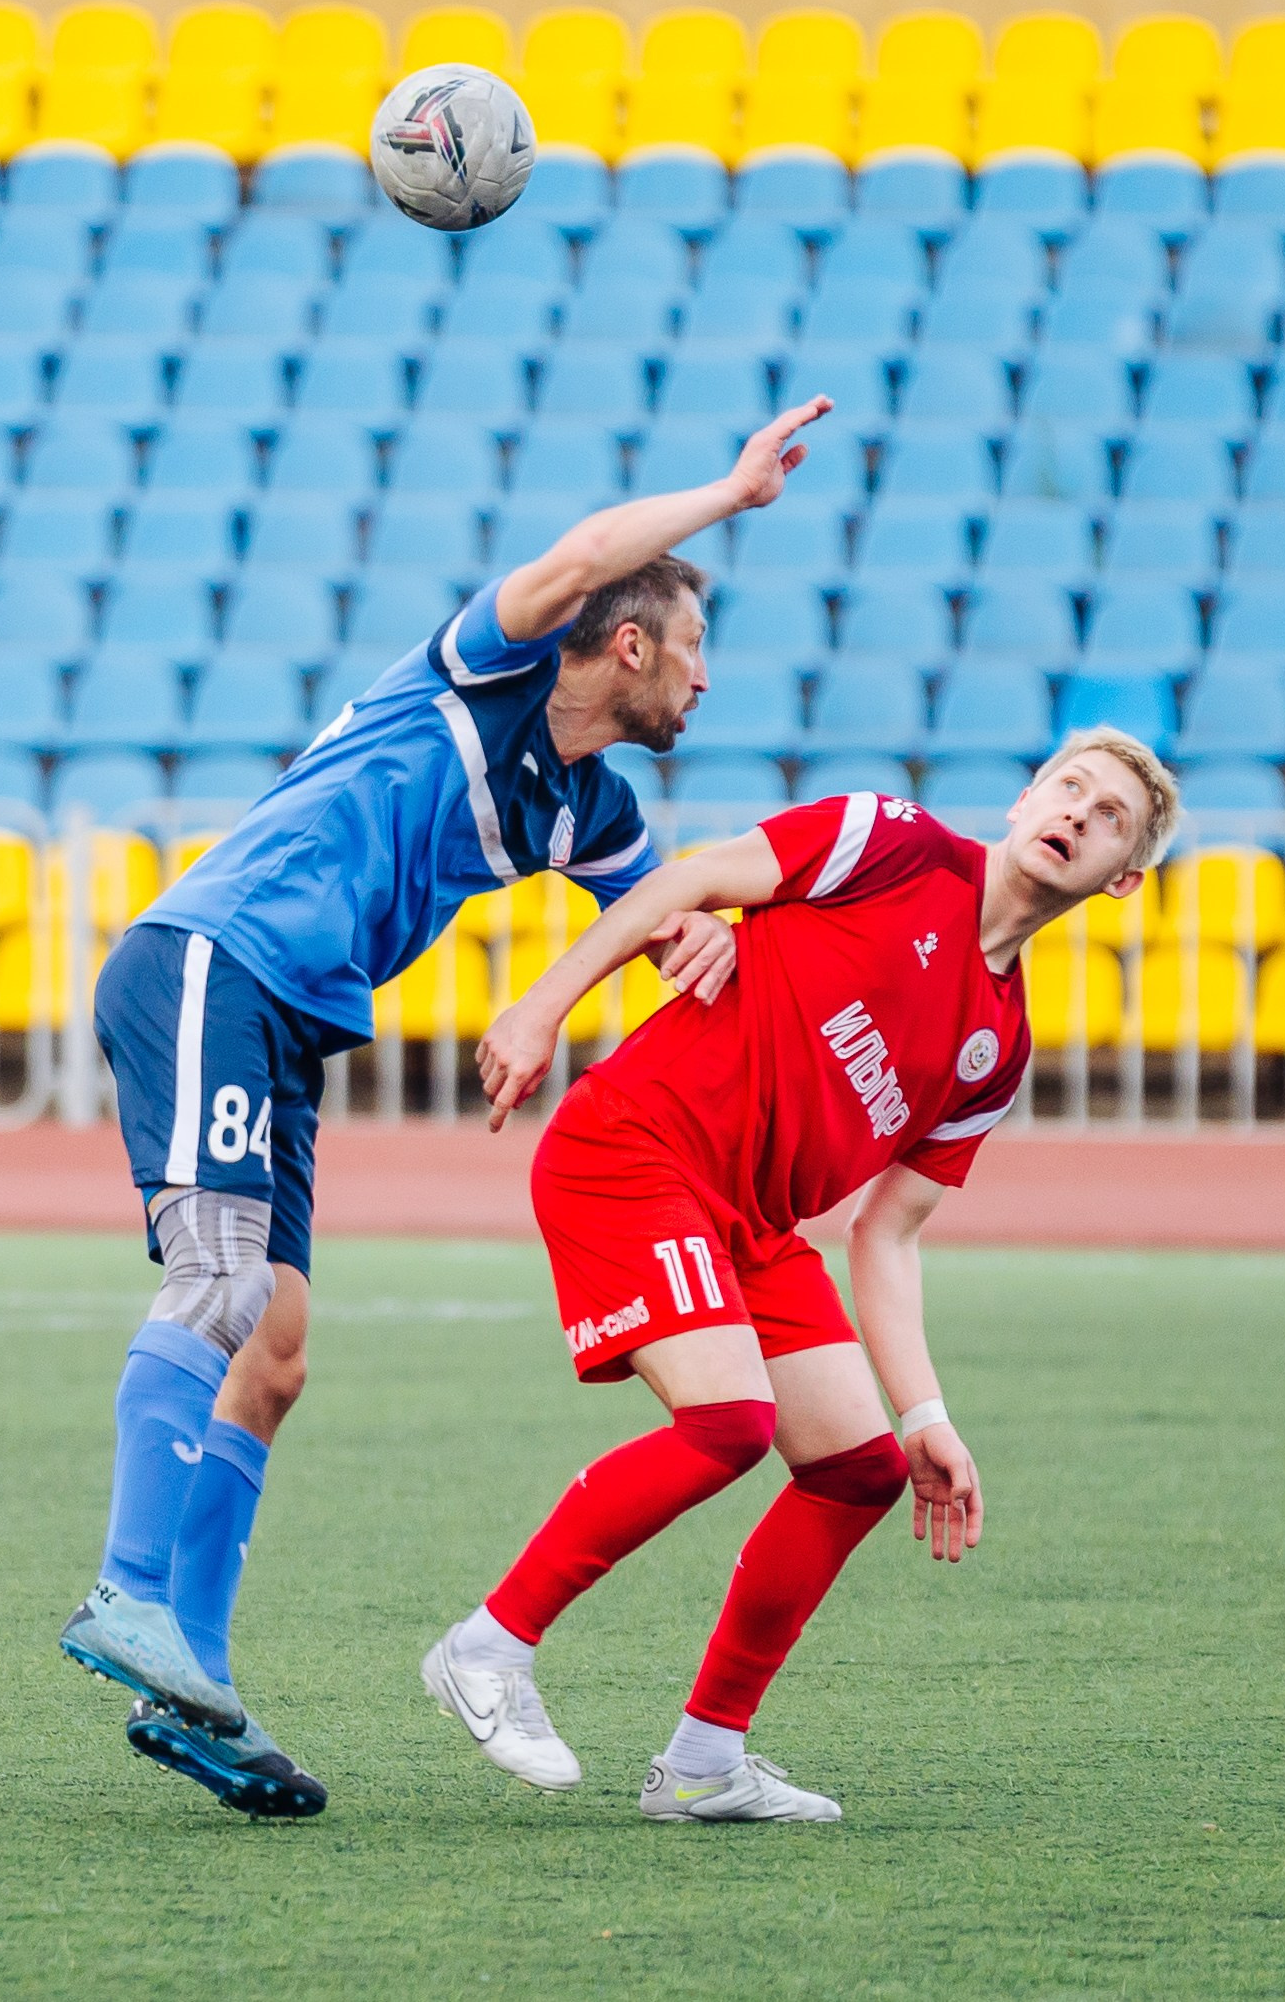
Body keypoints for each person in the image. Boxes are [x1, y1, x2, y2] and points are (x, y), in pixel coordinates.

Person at [60, 397, 834, 1818]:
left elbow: (667, 911)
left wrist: (711, 933)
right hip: (215, 957)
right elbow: (593, 545)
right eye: (698, 650)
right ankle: (129, 1586)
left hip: (287, 1023)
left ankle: (196, 1684)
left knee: (275, 1355)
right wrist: (728, 496)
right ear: (629, 642)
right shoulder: (485, 668)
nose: (707, 685)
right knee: (220, 1282)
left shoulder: (590, 809)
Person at [424, 729, 1181, 1821]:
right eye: (1070, 787)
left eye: (1110, 816)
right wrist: (542, 1006)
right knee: (729, 1419)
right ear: (1024, 798)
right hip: (636, 1147)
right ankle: (487, 1646)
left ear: (1124, 879)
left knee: (859, 1468)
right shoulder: (896, 841)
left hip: (755, 1223)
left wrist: (925, 1411)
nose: (1079, 812)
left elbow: (888, 1232)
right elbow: (690, 879)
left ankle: (703, 1760)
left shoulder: (998, 1048)